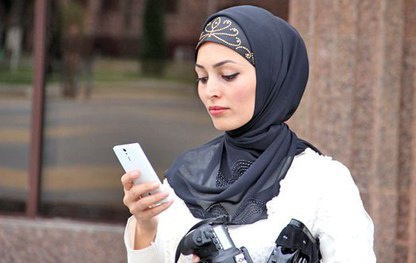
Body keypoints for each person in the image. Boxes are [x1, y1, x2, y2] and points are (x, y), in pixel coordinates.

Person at [121, 5, 375, 262]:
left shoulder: (321, 181)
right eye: (202, 78)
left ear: (271, 77)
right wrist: (145, 226)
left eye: (228, 75)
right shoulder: (185, 175)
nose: (211, 91)